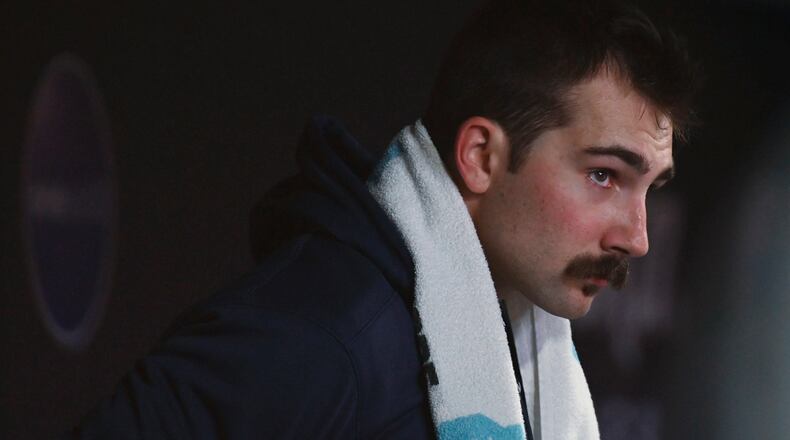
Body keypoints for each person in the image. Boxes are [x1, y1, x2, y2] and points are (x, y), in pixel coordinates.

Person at [65, 0, 696, 438]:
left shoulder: (509, 339)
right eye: (604, 176)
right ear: (480, 157)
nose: (637, 239)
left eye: (650, 188)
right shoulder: (326, 336)